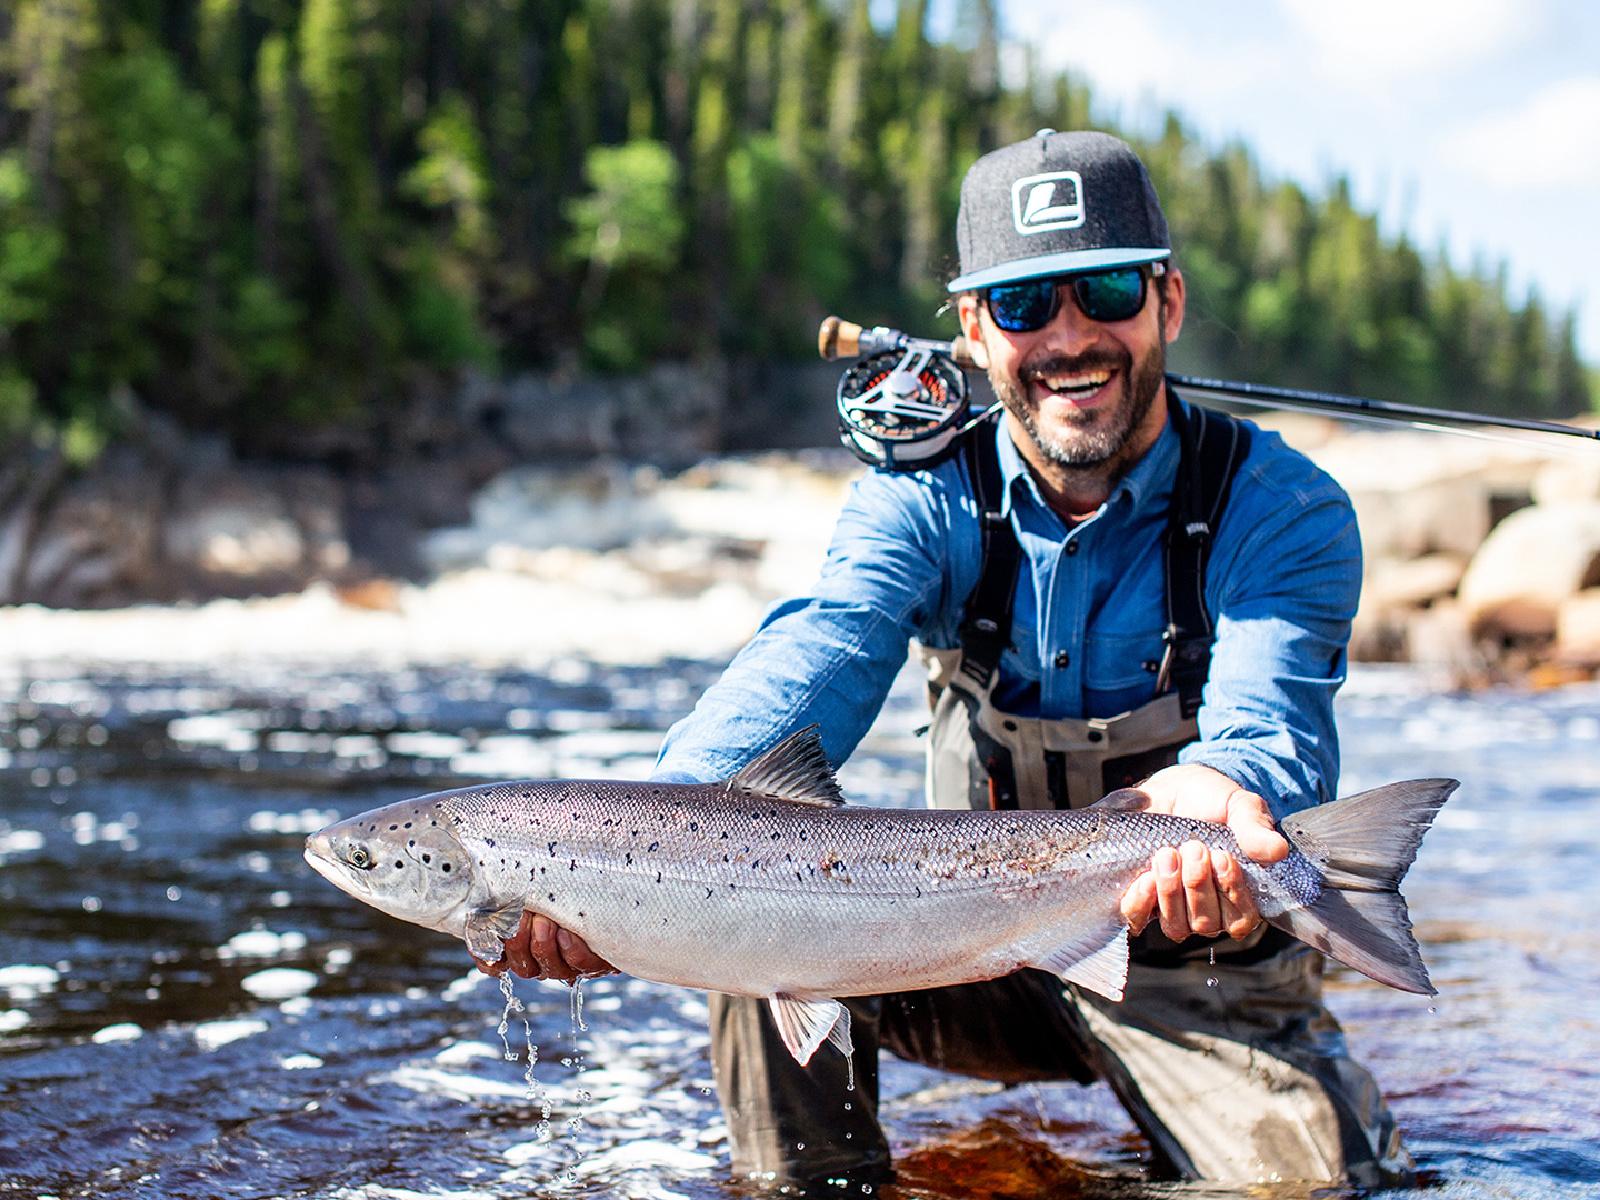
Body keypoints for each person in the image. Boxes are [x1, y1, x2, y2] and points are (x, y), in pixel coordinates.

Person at [478, 130, 1410, 1190]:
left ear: (1168, 303)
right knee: (744, 923)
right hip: (960, 953)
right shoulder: (921, 495)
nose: (1069, 338)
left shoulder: (1278, 508)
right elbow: (826, 640)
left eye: (1102, 290)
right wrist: (648, 851)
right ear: (974, 328)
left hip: (1200, 973)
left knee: (1317, 1186)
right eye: (1023, 307)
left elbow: (1269, 722)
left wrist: (1228, 792)